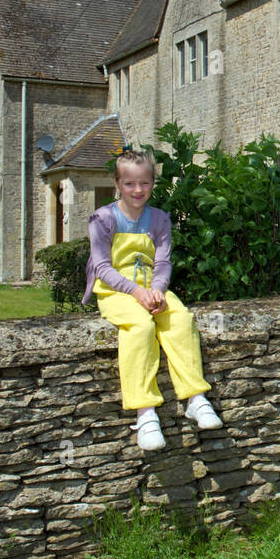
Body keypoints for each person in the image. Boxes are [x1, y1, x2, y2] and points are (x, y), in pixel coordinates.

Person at [82, 149, 222, 451]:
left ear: (152, 183)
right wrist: (136, 292)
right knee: (141, 327)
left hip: (151, 289)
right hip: (116, 292)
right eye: (130, 183)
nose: (137, 190)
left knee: (181, 319)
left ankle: (195, 397)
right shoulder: (103, 218)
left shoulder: (159, 219)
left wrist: (157, 289)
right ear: (117, 183)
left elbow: (163, 263)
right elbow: (103, 267)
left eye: (144, 183)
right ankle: (145, 412)